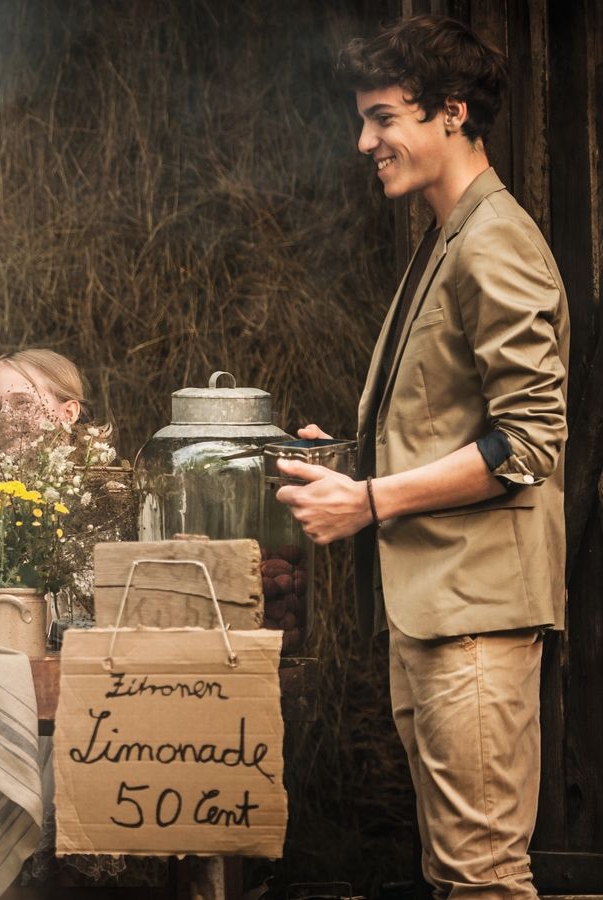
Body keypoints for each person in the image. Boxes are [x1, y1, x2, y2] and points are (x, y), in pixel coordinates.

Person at [276, 16, 567, 898]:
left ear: (451, 111)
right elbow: (453, 422)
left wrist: (369, 502)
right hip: (438, 612)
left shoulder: (495, 240)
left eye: (383, 118)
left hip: (475, 614)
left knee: (482, 875)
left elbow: (529, 441)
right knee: (453, 870)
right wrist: (355, 467)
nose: (364, 142)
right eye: (362, 120)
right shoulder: (447, 237)